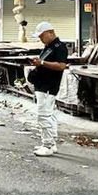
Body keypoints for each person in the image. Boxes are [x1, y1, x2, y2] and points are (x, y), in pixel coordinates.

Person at [27, 21, 69, 157]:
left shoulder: (59, 47)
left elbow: (61, 65)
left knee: (43, 116)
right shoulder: (48, 47)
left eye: (42, 36)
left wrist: (42, 63)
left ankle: (48, 145)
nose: (40, 39)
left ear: (50, 33)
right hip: (42, 85)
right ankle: (52, 142)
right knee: (49, 115)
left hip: (48, 87)